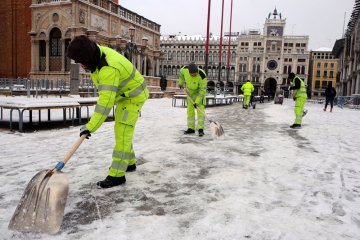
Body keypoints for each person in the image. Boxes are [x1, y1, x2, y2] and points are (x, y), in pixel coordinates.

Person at [63, 35, 149, 188]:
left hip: (133, 96)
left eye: (80, 61)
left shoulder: (108, 68)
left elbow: (105, 103)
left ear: (87, 57)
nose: (80, 65)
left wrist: (91, 127)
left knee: (123, 131)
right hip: (124, 95)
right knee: (121, 130)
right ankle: (129, 163)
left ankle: (117, 175)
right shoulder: (97, 56)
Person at [178, 63, 207, 137]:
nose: (193, 75)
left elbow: (202, 91)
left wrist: (197, 102)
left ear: (197, 71)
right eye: (192, 74)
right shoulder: (184, 70)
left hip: (199, 95)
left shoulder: (202, 76)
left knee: (200, 113)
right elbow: (180, 73)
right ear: (189, 72)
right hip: (190, 95)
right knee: (190, 112)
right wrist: (180, 83)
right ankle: (191, 128)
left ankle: (201, 129)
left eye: (195, 74)